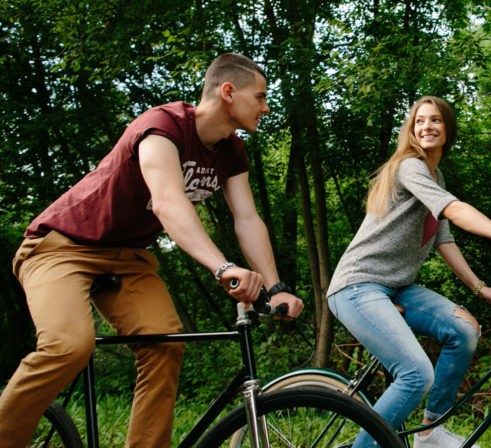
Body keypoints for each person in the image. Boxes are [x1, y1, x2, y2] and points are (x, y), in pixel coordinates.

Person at [0, 53, 304, 447]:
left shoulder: (232, 152)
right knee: (69, 345)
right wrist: (222, 265)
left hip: (128, 257)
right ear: (228, 92)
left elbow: (246, 219)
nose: (265, 107)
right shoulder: (162, 127)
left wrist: (276, 287)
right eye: (260, 96)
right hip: (61, 246)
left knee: (165, 343)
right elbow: (167, 202)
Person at [326, 96, 491, 448]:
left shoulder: (435, 175)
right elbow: (454, 210)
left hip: (396, 287)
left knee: (465, 328)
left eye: (436, 120)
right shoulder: (410, 166)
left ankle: (429, 433)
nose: (427, 127)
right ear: (411, 131)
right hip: (358, 286)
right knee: (415, 374)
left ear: (448, 129)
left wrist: (479, 288)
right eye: (419, 121)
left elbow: (444, 240)